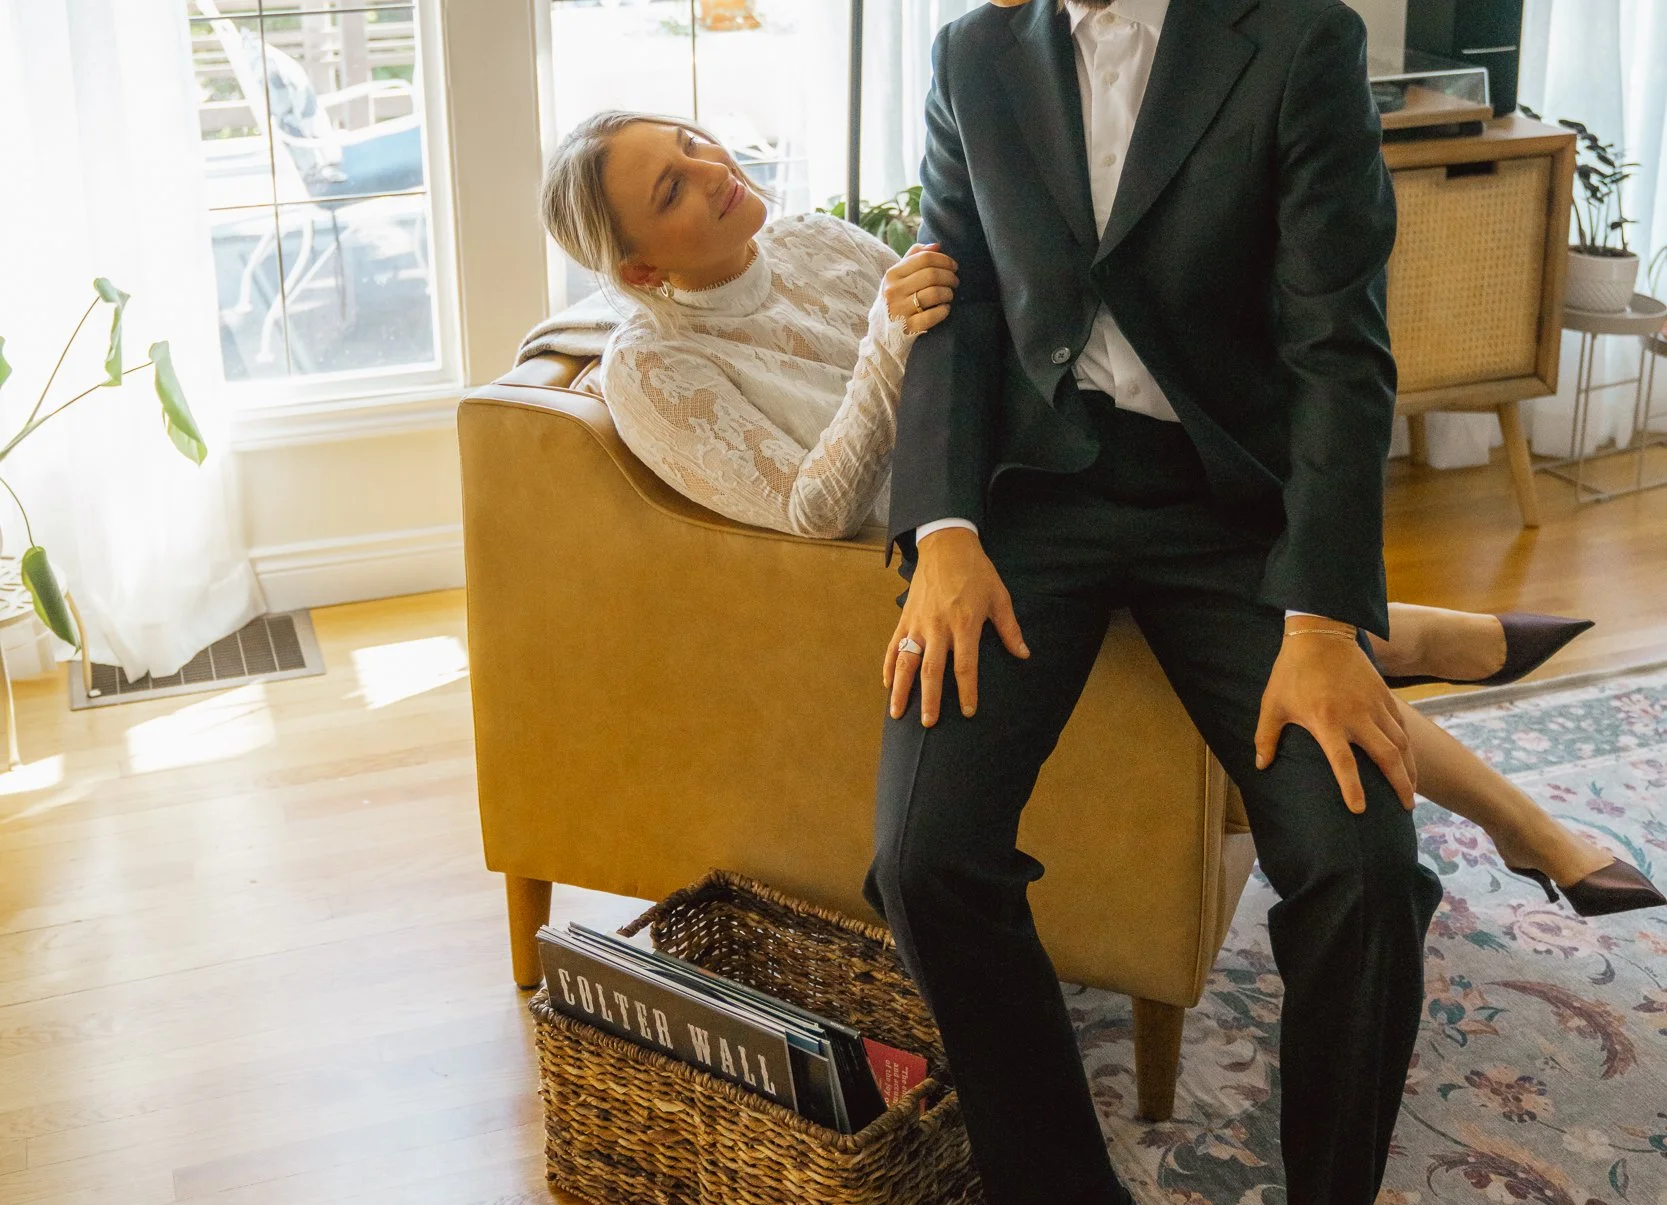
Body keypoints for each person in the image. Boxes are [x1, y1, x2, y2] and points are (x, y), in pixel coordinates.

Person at [533, 111, 1650, 919]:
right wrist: (887, 347)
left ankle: (1452, 729)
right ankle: (1449, 705)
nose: (709, 170)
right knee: (1258, 623)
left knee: (1186, 509)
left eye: (689, 143)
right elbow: (807, 509)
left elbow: (957, 353)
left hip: (993, 491)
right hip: (910, 568)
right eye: (670, 189)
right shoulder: (651, 367)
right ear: (635, 267)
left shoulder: (814, 238)